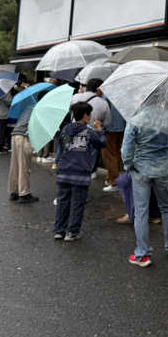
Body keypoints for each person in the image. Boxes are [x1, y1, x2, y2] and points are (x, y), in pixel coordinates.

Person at [121, 95, 168, 267]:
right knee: (167, 208)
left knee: (141, 211)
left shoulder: (136, 119)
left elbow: (126, 149)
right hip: (161, 169)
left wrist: (128, 166)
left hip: (140, 169)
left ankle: (143, 254)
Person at [53, 102, 106, 242]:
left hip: (64, 171)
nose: (90, 116)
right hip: (80, 173)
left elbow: (61, 147)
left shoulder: (65, 129)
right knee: (78, 203)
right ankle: (72, 232)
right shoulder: (89, 132)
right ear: (85, 116)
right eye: (89, 114)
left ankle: (59, 230)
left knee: (62, 201)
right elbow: (101, 143)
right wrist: (100, 130)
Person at [7, 91, 44, 204]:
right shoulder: (40, 109)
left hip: (15, 135)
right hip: (23, 137)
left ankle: (14, 192)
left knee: (15, 166)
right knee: (24, 166)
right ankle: (24, 194)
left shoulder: (30, 107)